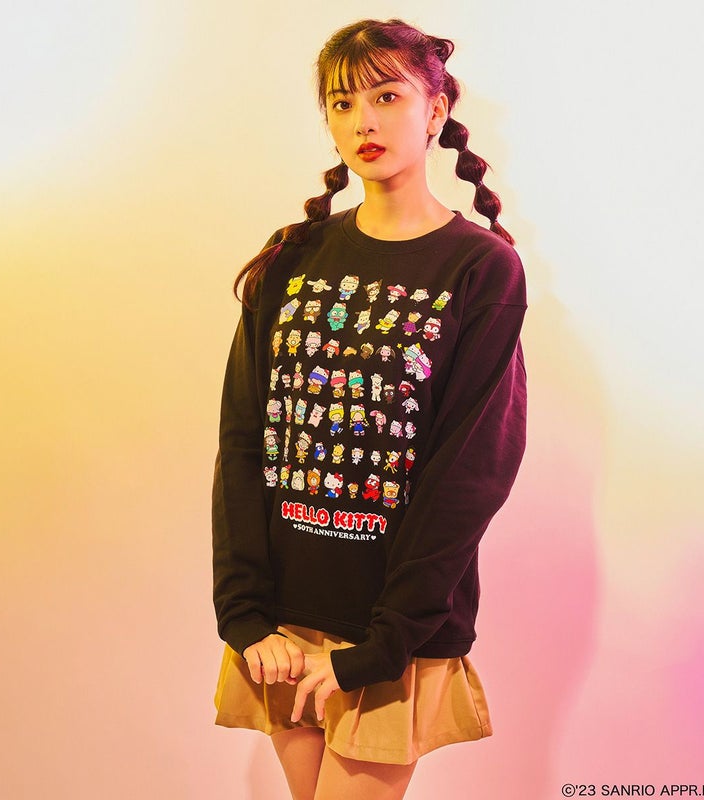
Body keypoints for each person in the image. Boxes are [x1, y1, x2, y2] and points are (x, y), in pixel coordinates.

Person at [212, 17, 528, 800]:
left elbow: (470, 472)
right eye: (342, 102)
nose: (363, 121)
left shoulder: (480, 268)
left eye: (387, 96)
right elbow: (244, 439)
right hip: (285, 622)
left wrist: (385, 642)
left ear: (434, 109)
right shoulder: (293, 256)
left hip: (391, 627)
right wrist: (244, 614)